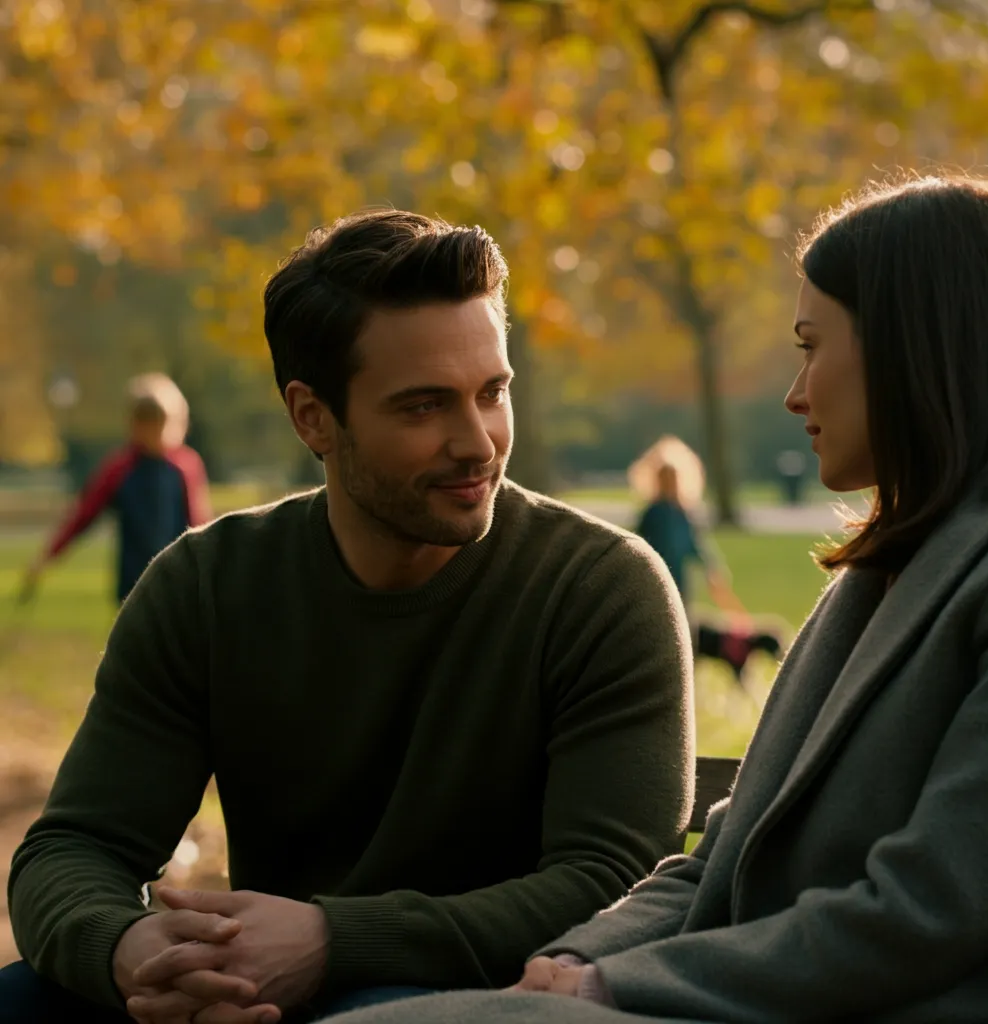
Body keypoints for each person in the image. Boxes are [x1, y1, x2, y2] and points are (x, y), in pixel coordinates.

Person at [321, 174, 988, 1022]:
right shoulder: (881, 575)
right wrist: (581, 957)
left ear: (917, 351)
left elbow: (927, 908)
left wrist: (615, 984)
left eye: (812, 345)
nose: (796, 393)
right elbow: (725, 849)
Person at [2, 211, 693, 1023]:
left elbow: (610, 884)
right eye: (424, 406)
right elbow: (75, 847)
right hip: (249, 992)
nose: (477, 442)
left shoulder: (601, 589)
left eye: (492, 393)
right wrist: (133, 953)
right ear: (313, 418)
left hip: (485, 999)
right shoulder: (205, 586)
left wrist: (336, 940)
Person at [20, 373, 212, 605]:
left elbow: (199, 526)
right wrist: (47, 558)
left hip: (178, 583)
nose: (156, 432)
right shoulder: (120, 469)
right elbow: (83, 516)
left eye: (161, 422)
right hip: (133, 586)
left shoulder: (185, 467)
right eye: (147, 422)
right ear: (134, 424)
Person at [631, 438, 777, 683]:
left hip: (679, 580)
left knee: (681, 624)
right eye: (665, 478)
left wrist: (712, 569)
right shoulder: (653, 513)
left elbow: (695, 545)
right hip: (654, 579)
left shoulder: (683, 514)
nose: (670, 484)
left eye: (674, 479)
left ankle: (680, 674)